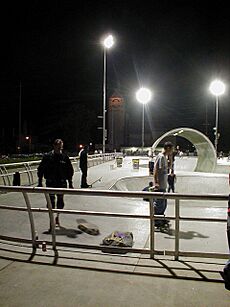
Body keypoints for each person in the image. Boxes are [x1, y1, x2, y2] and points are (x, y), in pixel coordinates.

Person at [37, 139, 74, 229]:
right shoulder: (47, 156)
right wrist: (40, 182)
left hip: (61, 183)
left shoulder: (65, 157)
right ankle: (51, 219)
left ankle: (57, 216)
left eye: (60, 147)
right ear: (54, 146)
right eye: (58, 147)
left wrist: (70, 183)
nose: (59, 149)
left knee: (60, 202)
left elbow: (70, 170)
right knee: (51, 202)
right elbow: (41, 169)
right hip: (51, 182)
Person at [153, 141, 174, 226]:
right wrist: (156, 182)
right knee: (159, 204)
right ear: (168, 148)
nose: (172, 151)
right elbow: (156, 169)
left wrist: (171, 158)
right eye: (171, 150)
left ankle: (161, 218)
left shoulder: (165, 157)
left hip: (163, 185)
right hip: (160, 185)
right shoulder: (161, 157)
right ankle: (157, 221)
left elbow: (169, 167)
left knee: (164, 204)